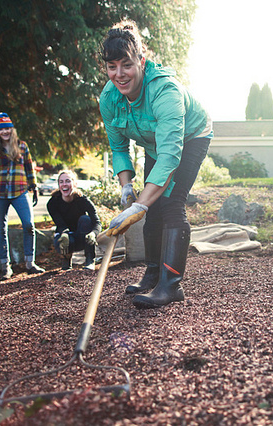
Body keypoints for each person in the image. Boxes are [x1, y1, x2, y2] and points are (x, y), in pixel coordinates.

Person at [99, 20, 212, 309]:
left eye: (126, 65)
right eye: (112, 67)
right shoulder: (109, 98)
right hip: (155, 144)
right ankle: (152, 273)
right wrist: (127, 188)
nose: (119, 74)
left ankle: (171, 284)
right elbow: (118, 146)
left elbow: (171, 156)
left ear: (141, 61)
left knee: (170, 202)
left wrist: (140, 205)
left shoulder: (165, 91)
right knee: (151, 211)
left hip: (189, 137)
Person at [0, 112, 45, 280]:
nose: (5, 132)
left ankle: (30, 263)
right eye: (1, 129)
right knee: (0, 229)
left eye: (7, 128)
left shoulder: (22, 146)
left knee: (28, 224)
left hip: (20, 190)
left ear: (12, 129)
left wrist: (34, 187)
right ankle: (6, 267)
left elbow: (29, 167)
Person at [46, 170, 101, 270]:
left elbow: (96, 221)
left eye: (67, 181)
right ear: (58, 185)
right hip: (65, 237)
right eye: (61, 182)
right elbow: (60, 223)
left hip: (82, 237)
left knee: (85, 219)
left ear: (74, 183)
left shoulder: (83, 200)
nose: (64, 184)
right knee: (65, 240)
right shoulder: (53, 203)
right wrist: (64, 233)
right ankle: (66, 259)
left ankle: (90, 260)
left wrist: (93, 233)